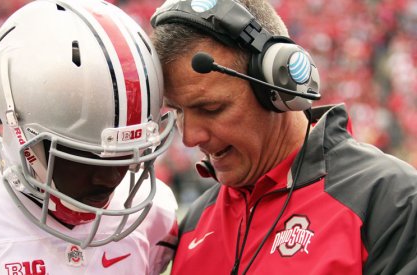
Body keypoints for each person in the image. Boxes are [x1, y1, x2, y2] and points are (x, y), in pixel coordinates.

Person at [149, 0, 417, 274]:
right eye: (178, 111)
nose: (189, 137)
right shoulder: (195, 221)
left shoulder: (390, 198)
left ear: (278, 85)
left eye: (211, 108)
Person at [0, 0, 178, 274]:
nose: (110, 178)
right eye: (85, 156)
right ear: (12, 127)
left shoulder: (153, 217)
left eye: (128, 154)